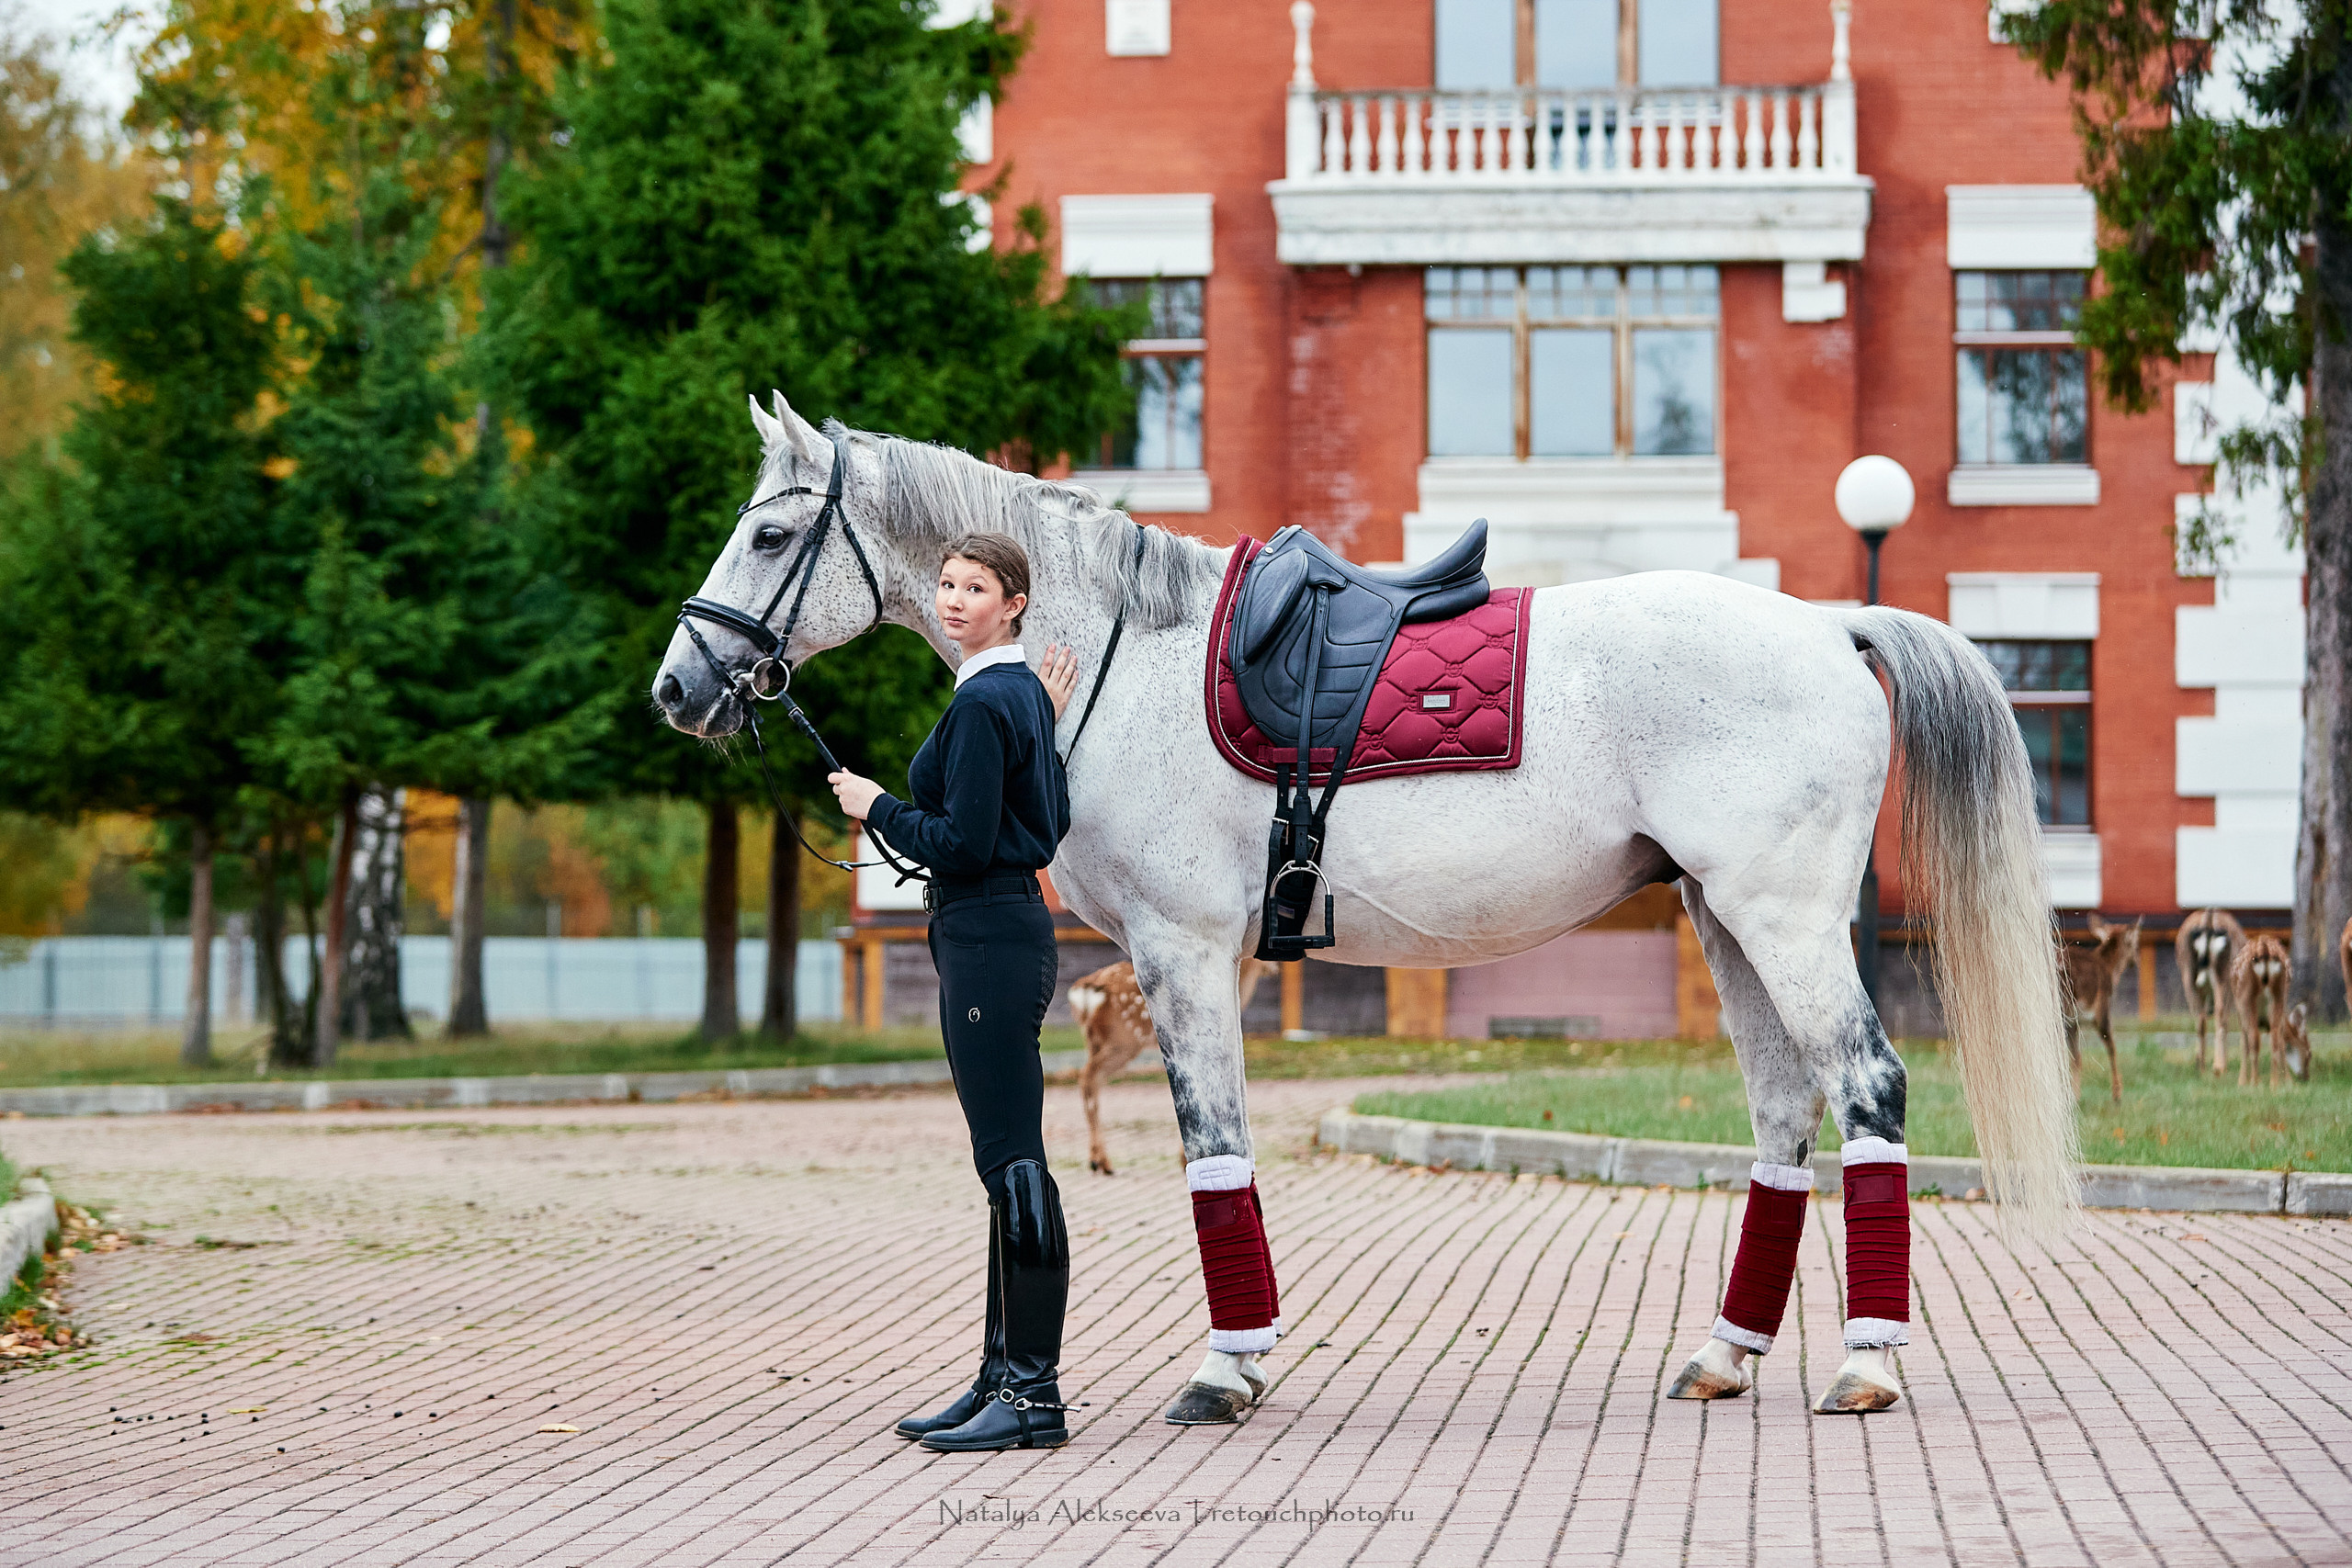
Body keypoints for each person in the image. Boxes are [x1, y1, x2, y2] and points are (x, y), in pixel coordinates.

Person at [827, 531, 1082, 1452]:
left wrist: (877, 807)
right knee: (1006, 1162)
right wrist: (1042, 717)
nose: (951, 599)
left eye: (975, 587)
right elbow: (1048, 819)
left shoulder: (985, 701)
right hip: (1003, 931)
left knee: (1012, 1161)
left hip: (985, 935)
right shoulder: (1015, 694)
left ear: (1014, 605)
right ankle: (998, 1377)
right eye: (945, 583)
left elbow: (965, 843)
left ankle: (1033, 1395)